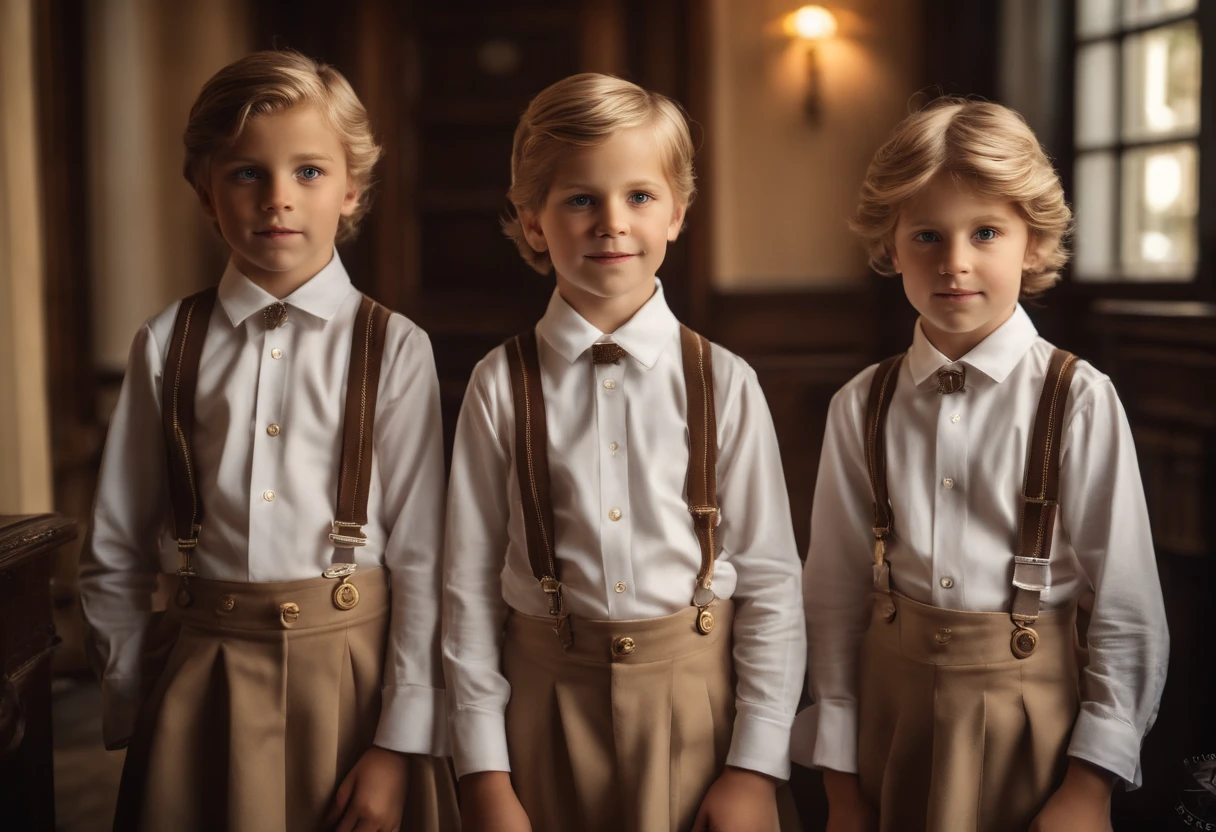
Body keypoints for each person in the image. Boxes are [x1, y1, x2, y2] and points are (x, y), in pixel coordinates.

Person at [78, 49, 458, 832]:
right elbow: (114, 545)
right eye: (248, 173)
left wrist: (401, 742)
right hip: (198, 678)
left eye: (309, 173)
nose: (278, 199)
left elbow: (423, 559)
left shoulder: (395, 346)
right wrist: (135, 700)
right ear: (206, 191)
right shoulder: (165, 344)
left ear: (352, 189)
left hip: (353, 687)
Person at [793, 97, 1170, 832]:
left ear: (1031, 245)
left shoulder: (1080, 400)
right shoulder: (859, 405)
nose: (954, 262)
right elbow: (834, 601)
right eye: (927, 235)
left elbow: (1127, 610)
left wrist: (1089, 787)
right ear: (890, 247)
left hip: (1039, 736)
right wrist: (841, 785)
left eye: (986, 232)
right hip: (890, 733)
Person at [441, 72, 806, 832]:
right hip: (543, 712)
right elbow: (467, 589)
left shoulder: (726, 382)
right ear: (533, 221)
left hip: (701, 713)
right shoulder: (498, 385)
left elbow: (771, 583)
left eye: (639, 197)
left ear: (677, 212)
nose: (612, 222)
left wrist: (754, 766)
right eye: (580, 199)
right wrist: (483, 773)